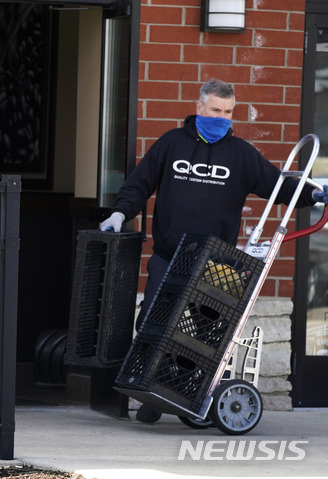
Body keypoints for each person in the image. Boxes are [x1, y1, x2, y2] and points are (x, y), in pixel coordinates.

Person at [100, 78, 328, 423]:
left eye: (228, 111)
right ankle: (153, 397)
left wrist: (314, 195)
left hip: (217, 261)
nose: (221, 117)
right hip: (170, 254)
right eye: (215, 110)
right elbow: (139, 184)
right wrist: (119, 214)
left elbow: (277, 186)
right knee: (154, 324)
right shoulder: (171, 144)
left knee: (206, 338)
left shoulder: (241, 154)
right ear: (199, 108)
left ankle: (190, 397)